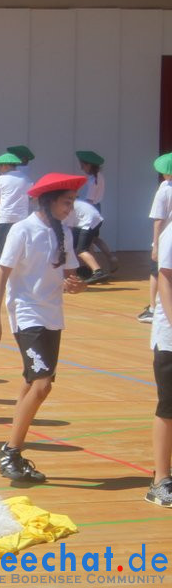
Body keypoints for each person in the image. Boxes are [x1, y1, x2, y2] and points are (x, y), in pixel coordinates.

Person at [0, 173, 86, 483]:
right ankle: (11, 450)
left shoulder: (63, 233)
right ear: (49, 200)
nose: (70, 207)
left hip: (52, 315)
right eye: (66, 202)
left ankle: (13, 446)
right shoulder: (22, 230)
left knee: (31, 383)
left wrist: (76, 285)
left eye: (72, 202)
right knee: (43, 384)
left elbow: (70, 275)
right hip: (26, 314)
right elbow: (2, 274)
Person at [147, 213, 172, 508]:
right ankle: (160, 481)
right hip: (169, 340)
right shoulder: (170, 233)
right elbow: (165, 278)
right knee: (168, 406)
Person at [0, 152, 33, 286]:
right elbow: (32, 197)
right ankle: (22, 278)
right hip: (21, 219)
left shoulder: (2, 179)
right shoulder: (26, 179)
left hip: (5, 218)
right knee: (21, 250)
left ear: (5, 166)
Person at [141, 154, 172, 324]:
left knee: (157, 273)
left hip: (166, 239)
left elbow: (158, 219)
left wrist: (156, 245)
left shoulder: (164, 189)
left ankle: (153, 307)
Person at [76, 150, 117, 274]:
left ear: (88, 165)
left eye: (82, 164)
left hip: (90, 211)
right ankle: (110, 257)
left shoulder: (92, 181)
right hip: (97, 209)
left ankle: (93, 268)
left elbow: (89, 200)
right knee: (94, 239)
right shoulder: (99, 176)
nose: (81, 167)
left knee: (86, 242)